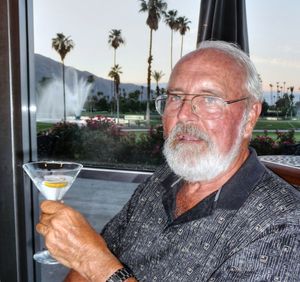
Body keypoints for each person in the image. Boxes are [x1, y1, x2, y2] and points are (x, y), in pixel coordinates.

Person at [37, 40, 300, 282]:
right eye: (175, 97)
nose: (184, 114)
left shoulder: (283, 225)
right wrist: (88, 258)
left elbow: (94, 261)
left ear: (250, 116)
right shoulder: (164, 179)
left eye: (209, 99)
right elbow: (89, 264)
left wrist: (96, 264)